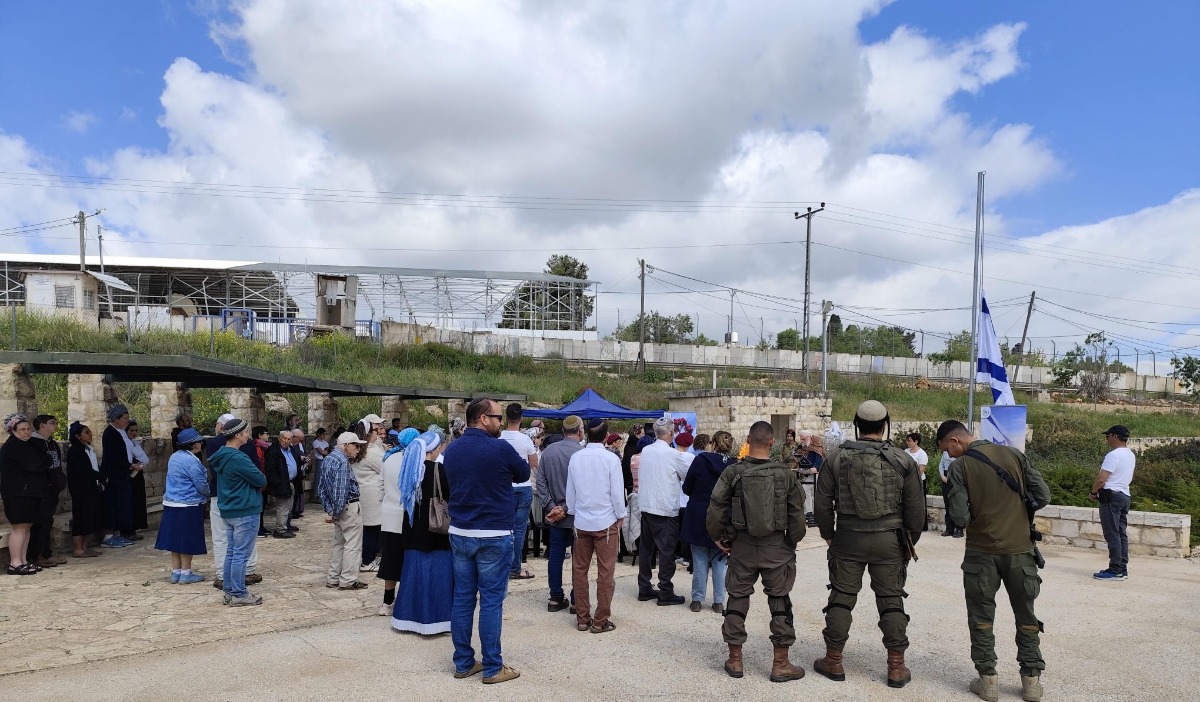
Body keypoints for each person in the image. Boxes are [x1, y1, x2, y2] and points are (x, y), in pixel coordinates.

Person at [813, 401, 925, 688]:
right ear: (885, 424)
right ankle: (896, 667)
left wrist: (828, 533)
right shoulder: (903, 460)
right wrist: (909, 539)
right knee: (891, 599)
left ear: (856, 423)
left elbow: (822, 503)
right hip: (889, 539)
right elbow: (916, 509)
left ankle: (834, 660)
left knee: (841, 597)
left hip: (848, 537)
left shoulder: (835, 458)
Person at [937, 419, 1051, 702]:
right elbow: (1043, 495)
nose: (948, 456)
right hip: (1020, 552)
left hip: (981, 554)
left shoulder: (960, 468)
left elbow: (960, 518)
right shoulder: (1013, 454)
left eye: (946, 449)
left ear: (955, 441)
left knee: (981, 618)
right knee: (1026, 617)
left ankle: (988, 682)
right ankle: (1031, 683)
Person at [707, 421, 808, 682]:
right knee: (780, 602)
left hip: (741, 546)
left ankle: (736, 659)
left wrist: (718, 537)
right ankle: (781, 664)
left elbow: (716, 507)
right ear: (772, 442)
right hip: (777, 547)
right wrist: (792, 542)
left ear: (748, 441)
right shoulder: (785, 474)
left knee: (737, 599)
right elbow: (797, 513)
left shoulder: (733, 472)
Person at [442, 397, 529, 685]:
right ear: (483, 418)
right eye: (497, 417)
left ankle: (464, 662)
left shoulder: (451, 450)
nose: (500, 422)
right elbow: (524, 473)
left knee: (463, 599)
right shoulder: (500, 448)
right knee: (491, 601)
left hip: (460, 533)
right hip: (493, 533)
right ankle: (493, 667)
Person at [565, 418, 627, 634]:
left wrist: (573, 510)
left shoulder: (576, 458)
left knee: (579, 571)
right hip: (605, 521)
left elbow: (570, 493)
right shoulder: (610, 459)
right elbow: (617, 493)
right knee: (605, 572)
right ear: (605, 435)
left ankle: (583, 618)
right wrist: (621, 515)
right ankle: (601, 620)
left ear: (586, 434)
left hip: (582, 521)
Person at [391, 428, 453, 634]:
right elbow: (449, 495)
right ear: (433, 450)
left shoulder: (409, 468)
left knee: (413, 575)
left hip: (412, 529)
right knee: (437, 576)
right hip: (434, 530)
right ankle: (436, 620)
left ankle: (406, 618)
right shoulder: (437, 469)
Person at [209, 417, 268, 606]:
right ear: (237, 435)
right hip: (244, 510)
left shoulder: (221, 455)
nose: (249, 435)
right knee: (241, 554)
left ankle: (230, 591)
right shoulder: (238, 457)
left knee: (232, 552)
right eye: (246, 432)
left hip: (230, 510)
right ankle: (239, 594)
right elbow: (260, 480)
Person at [636, 416, 690, 606]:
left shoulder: (646, 450)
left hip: (646, 505)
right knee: (666, 551)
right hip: (665, 508)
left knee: (646, 549)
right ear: (670, 433)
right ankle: (665, 590)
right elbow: (686, 477)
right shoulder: (673, 454)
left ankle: (644, 586)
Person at [682, 430, 734, 613]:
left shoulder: (701, 460)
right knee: (720, 559)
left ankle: (697, 598)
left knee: (699, 558)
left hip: (699, 512)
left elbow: (687, 487)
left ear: (712, 443)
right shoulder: (734, 466)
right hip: (722, 516)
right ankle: (719, 600)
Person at [536, 414, 584, 613]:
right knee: (578, 558)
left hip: (554, 515)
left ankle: (555, 597)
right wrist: (565, 508)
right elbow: (584, 487)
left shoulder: (548, 452)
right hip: (576, 516)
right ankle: (576, 599)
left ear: (563, 431)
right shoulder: (582, 453)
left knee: (555, 555)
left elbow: (540, 482)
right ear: (580, 431)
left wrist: (551, 507)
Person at [155, 428, 211, 584]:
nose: (201, 443)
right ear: (193, 444)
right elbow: (201, 484)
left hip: (171, 503)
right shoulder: (192, 461)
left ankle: (176, 572)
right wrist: (208, 493)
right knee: (187, 539)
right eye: (199, 441)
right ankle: (186, 573)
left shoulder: (174, 457)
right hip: (189, 504)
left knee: (175, 539)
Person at [318, 431, 369, 591]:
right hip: (348, 507)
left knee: (339, 543)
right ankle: (348, 580)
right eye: (356, 445)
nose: (358, 450)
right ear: (346, 446)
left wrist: (330, 509)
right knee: (352, 545)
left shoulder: (328, 459)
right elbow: (341, 491)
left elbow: (321, 488)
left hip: (338, 508)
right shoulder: (342, 462)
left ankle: (333, 577)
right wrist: (336, 512)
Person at [378, 427, 421, 616]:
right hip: (408, 517)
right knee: (409, 560)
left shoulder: (388, 458)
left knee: (390, 560)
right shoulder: (416, 461)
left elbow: (381, 487)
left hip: (389, 515)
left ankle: (387, 602)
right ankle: (407, 601)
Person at [1, 414, 51, 575]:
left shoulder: (28, 445)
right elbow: (35, 465)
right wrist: (44, 461)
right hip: (17, 493)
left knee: (27, 527)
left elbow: (44, 459)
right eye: (22, 429)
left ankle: (22, 561)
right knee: (19, 527)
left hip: (29, 492)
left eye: (28, 429)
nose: (27, 432)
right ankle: (15, 562)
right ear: (13, 430)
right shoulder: (14, 446)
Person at [499, 402, 538, 581]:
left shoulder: (499, 440)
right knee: (519, 530)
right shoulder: (526, 440)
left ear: (506, 418)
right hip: (523, 486)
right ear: (521, 419)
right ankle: (515, 568)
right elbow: (534, 463)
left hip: (504, 487)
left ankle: (502, 565)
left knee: (503, 528)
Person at [1092, 425, 1136, 581]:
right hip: (1124, 496)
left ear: (1115, 437)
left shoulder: (1113, 455)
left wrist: (1093, 492)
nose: (1107, 439)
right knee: (1120, 533)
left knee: (1112, 534)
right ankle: (1122, 568)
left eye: (1108, 436)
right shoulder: (1130, 454)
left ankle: (1115, 569)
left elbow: (1102, 479)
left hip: (1111, 498)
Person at [29, 415, 67, 568]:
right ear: (42, 425)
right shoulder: (33, 443)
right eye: (52, 423)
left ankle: (47, 553)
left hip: (53, 488)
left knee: (48, 521)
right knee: (40, 522)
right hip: (41, 489)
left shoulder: (52, 443)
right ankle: (37, 555)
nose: (55, 425)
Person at [100, 405, 138, 548]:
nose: (127, 422)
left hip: (121, 475)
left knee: (121, 505)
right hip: (113, 475)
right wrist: (129, 465)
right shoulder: (110, 433)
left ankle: (117, 534)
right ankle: (109, 536)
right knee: (113, 505)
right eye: (125, 419)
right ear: (116, 419)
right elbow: (113, 456)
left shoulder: (120, 432)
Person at [65, 421, 105, 558]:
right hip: (81, 490)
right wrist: (102, 476)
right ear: (77, 436)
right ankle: (78, 548)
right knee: (80, 519)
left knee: (90, 518)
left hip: (91, 488)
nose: (90, 435)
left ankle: (85, 547)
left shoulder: (88, 449)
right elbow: (85, 471)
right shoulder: (75, 451)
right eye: (86, 432)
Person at [353, 416, 387, 571]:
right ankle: (367, 561)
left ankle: (367, 559)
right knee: (372, 530)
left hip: (363, 494)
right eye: (375, 430)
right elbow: (385, 468)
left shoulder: (360, 449)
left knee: (368, 530)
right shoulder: (371, 452)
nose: (378, 433)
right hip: (373, 495)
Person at [264, 431, 296, 538]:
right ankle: (280, 530)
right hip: (281, 482)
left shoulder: (291, 450)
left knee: (289, 507)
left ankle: (285, 526)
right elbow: (270, 468)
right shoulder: (273, 451)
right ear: (280, 438)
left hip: (290, 481)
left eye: (288, 439)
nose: (286, 441)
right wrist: (277, 482)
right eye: (284, 438)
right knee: (283, 507)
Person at [125, 420, 150, 541]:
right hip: (130, 475)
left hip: (138, 475)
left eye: (136, 430)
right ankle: (129, 530)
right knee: (131, 501)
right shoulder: (125, 444)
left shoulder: (135, 444)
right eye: (131, 430)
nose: (134, 433)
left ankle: (135, 528)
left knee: (138, 500)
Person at [939, 450, 962, 537]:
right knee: (947, 504)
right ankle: (949, 529)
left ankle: (959, 528)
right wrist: (942, 476)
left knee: (958, 504)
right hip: (945, 477)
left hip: (957, 476)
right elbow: (941, 464)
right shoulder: (945, 452)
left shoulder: (959, 452)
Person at [290, 428, 310, 519]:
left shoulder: (298, 446)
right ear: (294, 437)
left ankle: (295, 511)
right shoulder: (288, 447)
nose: (301, 441)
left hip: (298, 474)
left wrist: (304, 460)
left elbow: (302, 454)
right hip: (289, 477)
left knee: (298, 493)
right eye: (300, 439)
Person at [311, 427, 330, 491]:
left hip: (325, 460)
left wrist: (324, 451)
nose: (324, 436)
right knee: (318, 477)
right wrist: (324, 451)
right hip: (319, 460)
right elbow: (322, 452)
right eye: (323, 434)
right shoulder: (315, 442)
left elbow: (327, 451)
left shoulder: (325, 442)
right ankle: (316, 494)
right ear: (319, 434)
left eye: (325, 434)